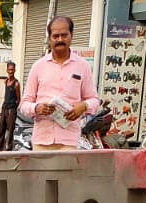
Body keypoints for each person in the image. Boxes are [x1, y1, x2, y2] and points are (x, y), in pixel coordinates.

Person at [22, 15, 99, 150]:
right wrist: (37, 108)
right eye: (55, 36)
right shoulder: (38, 66)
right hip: (41, 141)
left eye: (64, 35)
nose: (60, 40)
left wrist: (83, 106)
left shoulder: (83, 66)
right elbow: (24, 104)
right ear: (50, 38)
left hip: (68, 142)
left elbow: (95, 101)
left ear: (71, 35)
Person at [0, 61, 19, 150]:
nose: (11, 71)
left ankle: (9, 149)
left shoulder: (16, 83)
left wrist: (14, 109)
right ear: (7, 70)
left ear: (15, 70)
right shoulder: (6, 81)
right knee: (1, 128)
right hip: (4, 108)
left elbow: (18, 99)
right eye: (9, 70)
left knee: (10, 129)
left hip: (11, 109)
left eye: (12, 70)